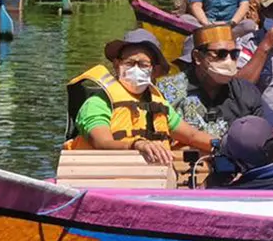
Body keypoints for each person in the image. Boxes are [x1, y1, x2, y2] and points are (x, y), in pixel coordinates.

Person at [64, 29, 216, 164]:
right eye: (130, 63)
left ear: (154, 70)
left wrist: (222, 145)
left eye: (143, 65)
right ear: (117, 65)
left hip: (153, 178)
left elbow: (191, 135)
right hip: (103, 176)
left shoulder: (159, 102)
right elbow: (101, 142)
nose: (136, 69)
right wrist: (136, 144)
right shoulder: (98, 102)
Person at [158, 24, 273, 138]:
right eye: (221, 54)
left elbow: (270, 132)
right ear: (198, 57)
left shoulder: (246, 92)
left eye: (234, 54)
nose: (229, 60)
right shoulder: (167, 91)